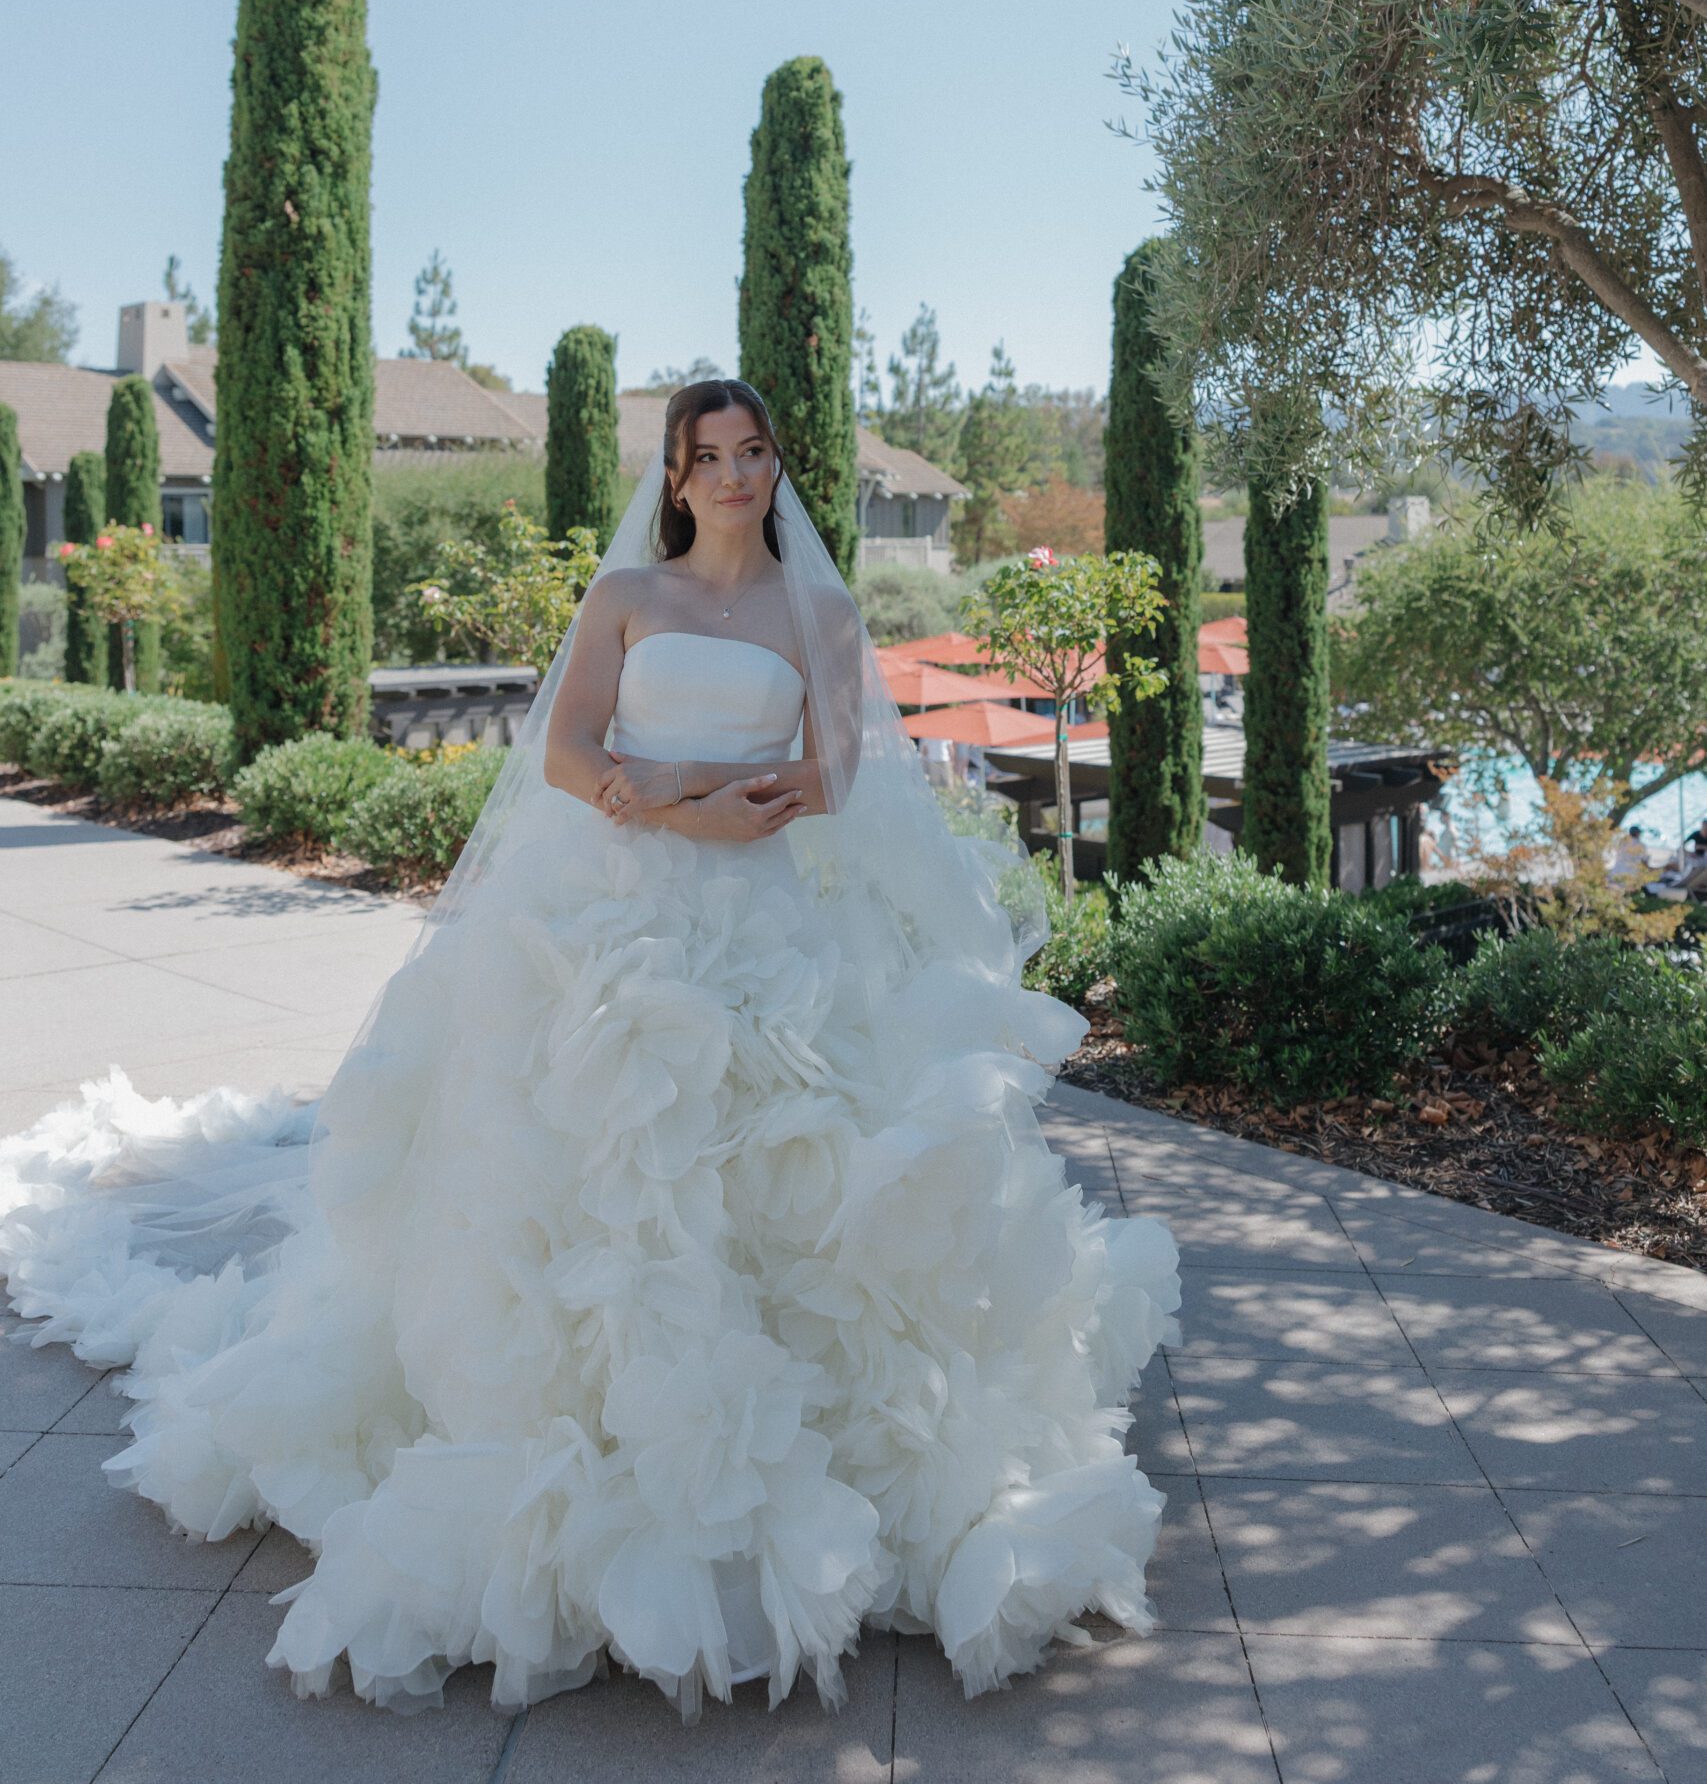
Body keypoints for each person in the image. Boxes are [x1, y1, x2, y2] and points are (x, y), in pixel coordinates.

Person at [0, 379, 1181, 1724]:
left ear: (774, 468)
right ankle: (591, 1427)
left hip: (766, 927)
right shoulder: (628, 597)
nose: (731, 475)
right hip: (614, 915)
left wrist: (730, 805)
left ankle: (769, 1437)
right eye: (707, 456)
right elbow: (566, 754)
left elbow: (840, 774)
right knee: (596, 1157)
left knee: (773, 1164)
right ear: (674, 478)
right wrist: (663, 804)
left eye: (752, 452)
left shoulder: (821, 612)